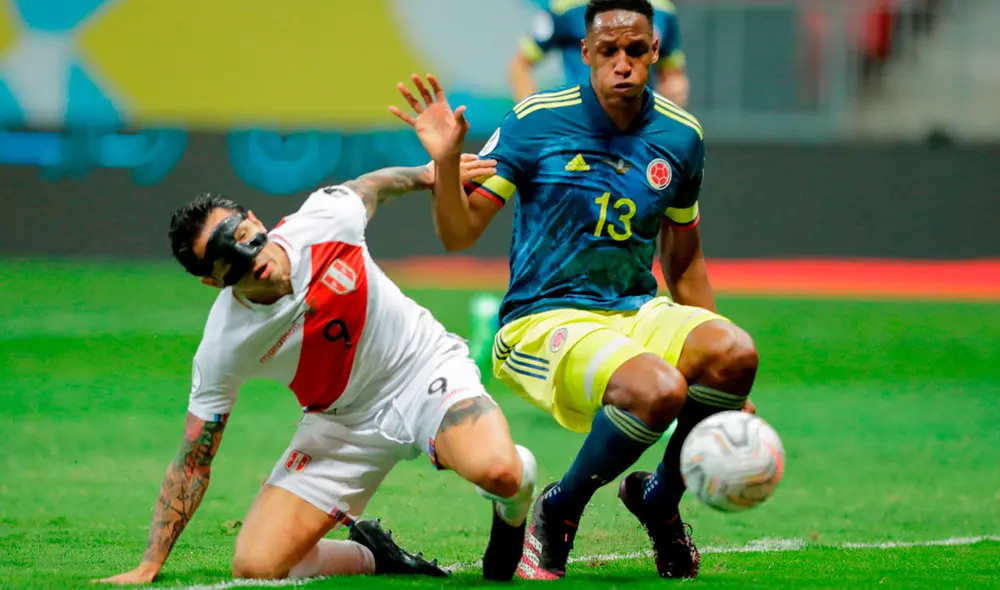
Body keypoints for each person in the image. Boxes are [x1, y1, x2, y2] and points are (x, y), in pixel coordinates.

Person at [389, 0, 757, 580]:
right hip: (542, 320)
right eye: (608, 51)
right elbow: (459, 233)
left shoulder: (682, 138)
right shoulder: (536, 120)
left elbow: (684, 262)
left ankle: (659, 499)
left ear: (654, 52)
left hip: (635, 311)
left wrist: (722, 388)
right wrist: (449, 160)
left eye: (636, 50)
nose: (623, 64)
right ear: (584, 54)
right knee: (657, 391)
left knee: (737, 354)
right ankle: (559, 510)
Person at [95, 157, 537, 585]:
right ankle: (372, 555)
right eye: (227, 259)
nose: (250, 256)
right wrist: (150, 563)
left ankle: (514, 499)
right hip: (340, 424)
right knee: (256, 566)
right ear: (212, 281)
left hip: (421, 370)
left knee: (499, 472)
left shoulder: (325, 221)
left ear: (254, 218)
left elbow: (372, 186)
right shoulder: (224, 343)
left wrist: (426, 174)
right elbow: (195, 461)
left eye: (245, 234)